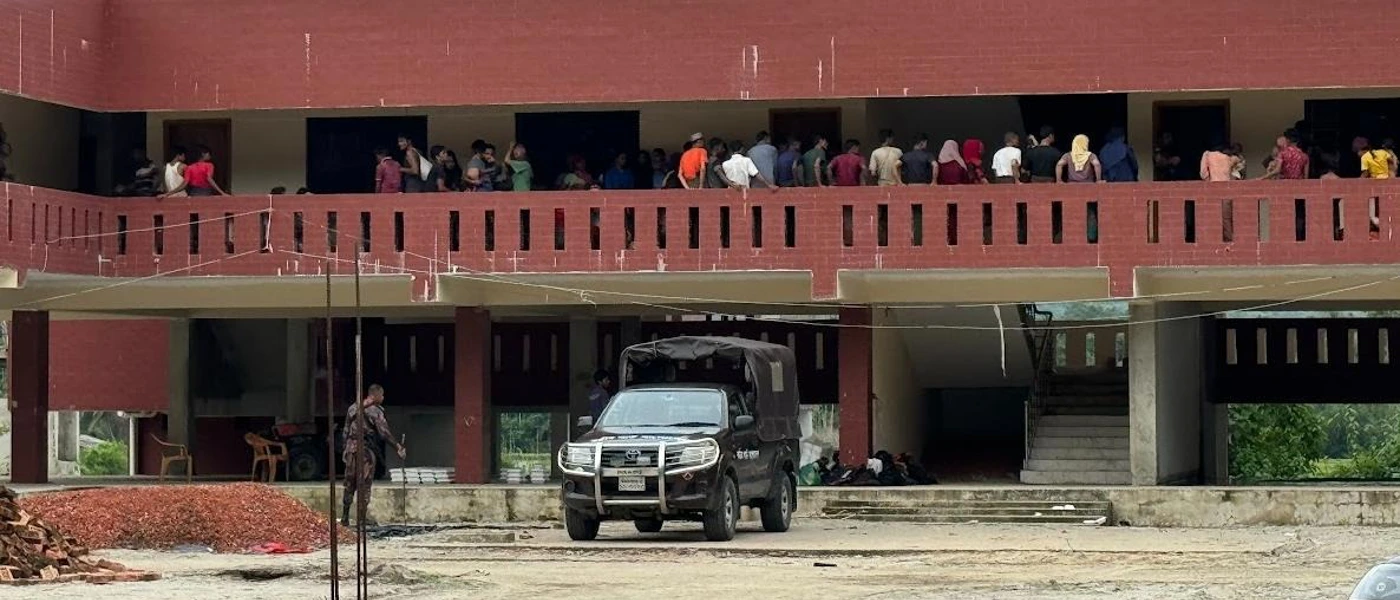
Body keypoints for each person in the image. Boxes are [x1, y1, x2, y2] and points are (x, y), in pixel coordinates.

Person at [340, 384, 406, 526]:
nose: (383, 398)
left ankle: (345, 517)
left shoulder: (353, 408)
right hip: (365, 452)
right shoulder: (375, 411)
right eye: (382, 395)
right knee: (364, 484)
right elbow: (384, 432)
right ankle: (361, 519)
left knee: (349, 483)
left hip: (351, 450)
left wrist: (345, 449)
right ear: (376, 396)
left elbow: (345, 430)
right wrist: (398, 446)